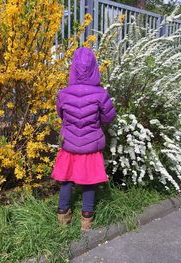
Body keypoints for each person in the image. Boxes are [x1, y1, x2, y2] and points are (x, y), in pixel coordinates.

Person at [51, 47, 116, 231]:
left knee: (67, 179)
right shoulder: (101, 94)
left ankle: (63, 214)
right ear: (94, 68)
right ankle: (86, 220)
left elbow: (61, 115)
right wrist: (96, 124)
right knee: (90, 180)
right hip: (91, 146)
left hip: (70, 144)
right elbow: (109, 116)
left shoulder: (63, 93)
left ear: (73, 68)